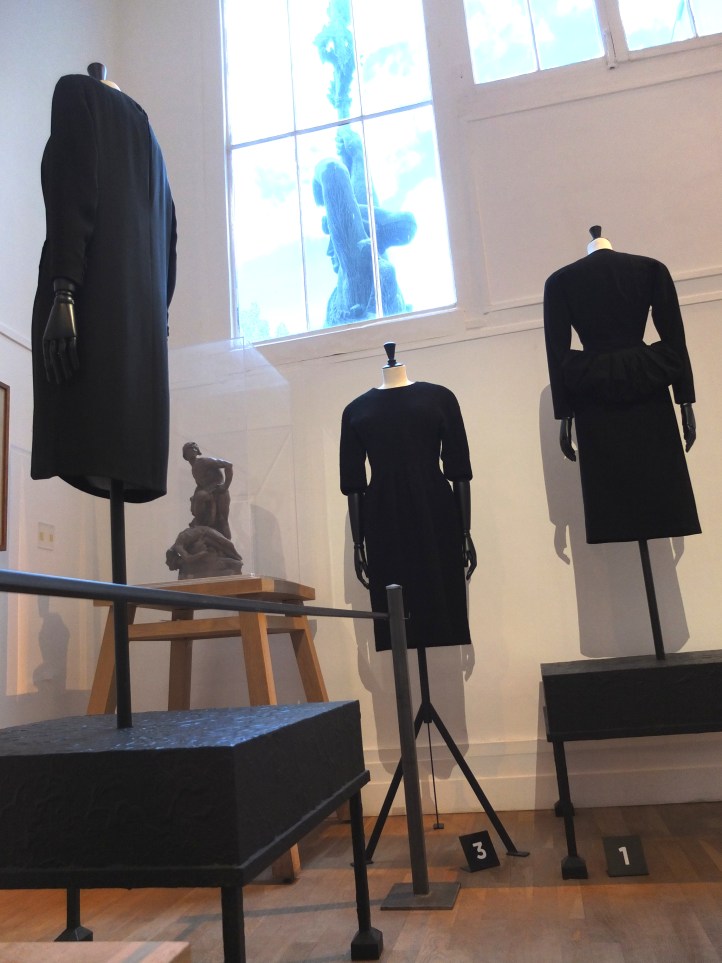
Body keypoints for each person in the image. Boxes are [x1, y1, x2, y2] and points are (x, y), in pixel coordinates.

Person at [31, 64, 176, 502]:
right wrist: (158, 326)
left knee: (82, 433)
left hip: (88, 316)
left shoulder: (76, 93)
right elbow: (170, 250)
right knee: (118, 452)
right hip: (141, 354)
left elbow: (71, 193)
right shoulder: (153, 147)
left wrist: (63, 291)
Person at [543, 226, 700, 544]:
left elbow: (557, 354)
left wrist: (565, 415)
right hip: (646, 384)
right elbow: (675, 339)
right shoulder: (649, 269)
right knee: (652, 480)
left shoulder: (561, 281)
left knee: (623, 486)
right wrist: (685, 401)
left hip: (596, 391)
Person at [340, 343, 475, 652]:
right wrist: (359, 544)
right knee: (395, 600)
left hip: (436, 508)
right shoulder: (355, 410)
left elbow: (459, 472)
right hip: (383, 515)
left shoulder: (440, 398)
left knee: (439, 591)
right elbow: (354, 485)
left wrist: (465, 533)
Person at [182, 442, 233, 539]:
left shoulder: (204, 461)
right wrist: (194, 499)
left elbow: (228, 465)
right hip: (209, 493)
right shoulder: (194, 469)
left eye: (193, 449)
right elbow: (200, 485)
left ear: (197, 451)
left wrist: (225, 485)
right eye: (189, 449)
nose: (192, 451)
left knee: (222, 520)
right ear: (185, 455)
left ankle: (228, 545)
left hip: (220, 492)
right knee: (210, 521)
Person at [165, 526, 243, 580]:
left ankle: (237, 557)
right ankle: (236, 559)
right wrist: (202, 553)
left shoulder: (178, 545)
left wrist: (202, 553)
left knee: (227, 544)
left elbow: (188, 558)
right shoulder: (181, 542)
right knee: (225, 545)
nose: (181, 561)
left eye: (178, 561)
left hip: (206, 532)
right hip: (204, 535)